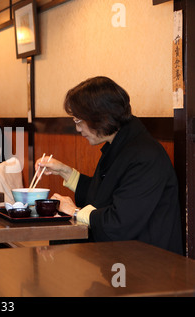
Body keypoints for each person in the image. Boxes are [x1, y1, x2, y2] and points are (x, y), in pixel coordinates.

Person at [35, 76, 182, 254]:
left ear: (100, 117)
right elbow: (103, 193)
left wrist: (74, 212)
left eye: (79, 121)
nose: (78, 128)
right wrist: (64, 171)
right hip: (122, 257)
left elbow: (119, 222)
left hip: (147, 264)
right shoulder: (122, 144)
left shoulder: (145, 156)